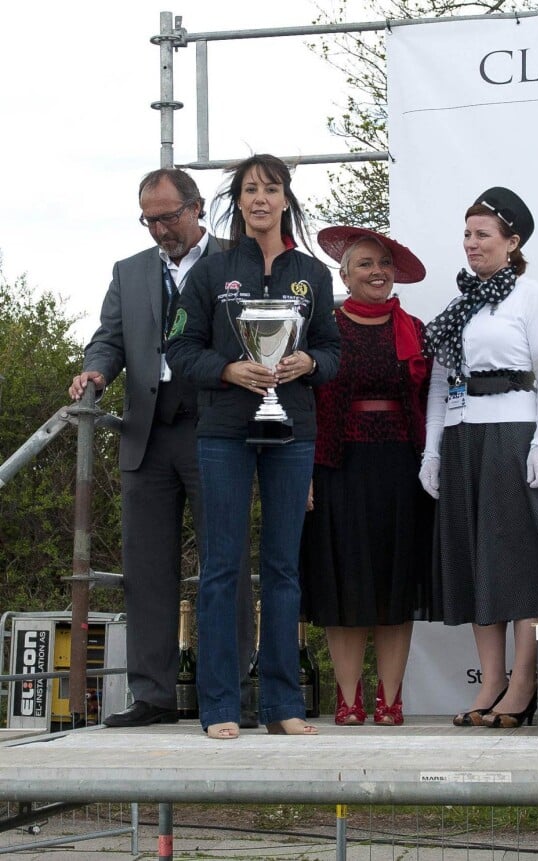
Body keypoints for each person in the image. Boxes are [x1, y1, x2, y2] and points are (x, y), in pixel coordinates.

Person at [69, 168, 256, 728]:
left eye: (168, 217)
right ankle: (152, 694)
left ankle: (230, 690)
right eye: (149, 219)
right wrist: (94, 374)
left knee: (226, 562)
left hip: (217, 424)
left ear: (196, 208)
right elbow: (109, 338)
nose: (158, 229)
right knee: (145, 570)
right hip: (146, 434)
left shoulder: (238, 259)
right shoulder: (128, 273)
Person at [167, 153, 340, 739]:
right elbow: (180, 348)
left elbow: (334, 352)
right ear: (237, 202)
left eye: (271, 188)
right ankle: (219, 706)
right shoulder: (212, 273)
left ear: (286, 198)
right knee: (222, 565)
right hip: (224, 431)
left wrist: (309, 361)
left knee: (284, 567)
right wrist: (228, 372)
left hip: (292, 430)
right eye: (249, 190)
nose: (260, 199)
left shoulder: (313, 275)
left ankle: (282, 704)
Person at [420, 186, 538, 729]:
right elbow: (442, 384)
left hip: (514, 435)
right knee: (475, 564)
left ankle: (524, 681)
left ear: (512, 242)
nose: (471, 243)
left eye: (482, 234)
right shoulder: (457, 306)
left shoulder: (530, 297)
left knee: (520, 567)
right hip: (466, 441)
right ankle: (490, 681)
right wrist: (432, 450)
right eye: (466, 234)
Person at [299, 225, 433, 727]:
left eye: (383, 264)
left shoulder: (417, 329)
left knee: (396, 584)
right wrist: (304, 473)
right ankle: (349, 698)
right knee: (344, 581)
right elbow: (304, 404)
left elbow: (429, 402)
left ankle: (391, 699)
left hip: (402, 468)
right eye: (364, 265)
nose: (376, 272)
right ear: (345, 275)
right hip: (337, 466)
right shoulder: (322, 329)